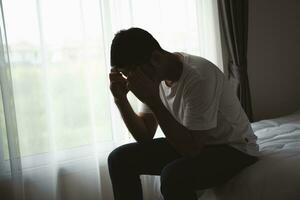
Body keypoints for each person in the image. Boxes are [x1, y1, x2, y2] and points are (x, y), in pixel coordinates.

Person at [107, 27, 258, 200]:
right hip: (197, 142)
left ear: (155, 58)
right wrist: (121, 100)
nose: (132, 81)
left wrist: (153, 100)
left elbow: (192, 150)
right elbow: (145, 135)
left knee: (173, 176)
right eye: (127, 75)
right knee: (119, 159)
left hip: (234, 148)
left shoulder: (199, 76)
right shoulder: (155, 77)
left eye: (133, 73)